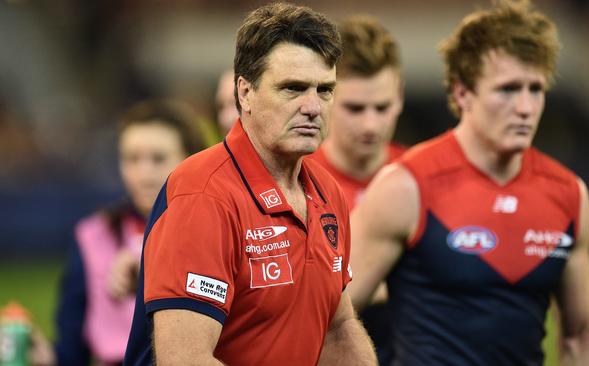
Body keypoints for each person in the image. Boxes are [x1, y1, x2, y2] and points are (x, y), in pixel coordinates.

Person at [347, 1, 589, 365]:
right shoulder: (406, 187)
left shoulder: (569, 195)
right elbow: (333, 320)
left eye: (535, 89)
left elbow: (582, 336)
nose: (525, 107)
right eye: (507, 89)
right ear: (462, 93)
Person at [124, 3, 377, 365]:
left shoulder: (326, 192)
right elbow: (186, 360)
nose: (313, 107)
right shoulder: (203, 194)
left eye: (324, 90)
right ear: (245, 92)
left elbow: (338, 327)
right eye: (293, 88)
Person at [55, 100, 204, 365]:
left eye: (158, 159)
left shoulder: (214, 228)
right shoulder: (93, 236)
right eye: (132, 159)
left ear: (191, 160)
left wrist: (149, 272)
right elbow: (70, 353)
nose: (144, 174)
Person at [308, 15, 405, 365]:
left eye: (382, 108)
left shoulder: (421, 180)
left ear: (401, 97)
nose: (370, 124)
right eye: (355, 108)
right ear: (327, 97)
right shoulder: (294, 181)